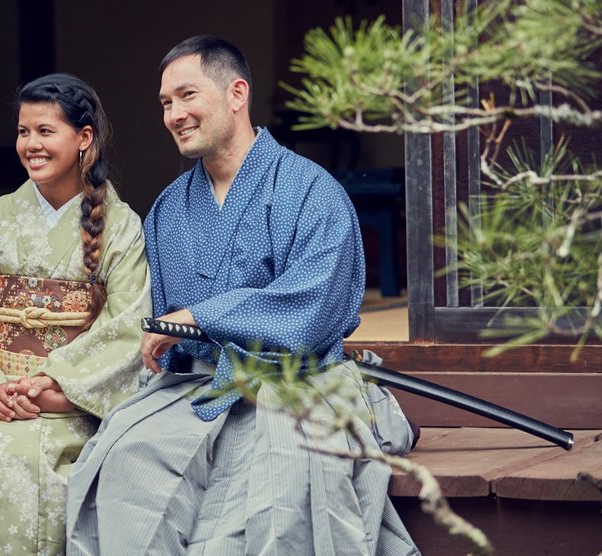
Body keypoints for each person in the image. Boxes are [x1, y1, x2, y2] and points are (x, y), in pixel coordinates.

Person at [65, 36, 419, 554]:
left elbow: (313, 310)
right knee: (124, 458)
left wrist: (204, 315)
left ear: (236, 93)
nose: (175, 114)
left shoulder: (311, 190)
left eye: (187, 95)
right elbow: (171, 331)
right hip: (204, 386)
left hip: (298, 383)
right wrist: (171, 340)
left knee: (278, 488)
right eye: (166, 103)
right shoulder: (169, 210)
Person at [0, 73, 151, 555]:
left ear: (84, 139)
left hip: (70, 400)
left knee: (32, 457)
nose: (31, 144)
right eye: (24, 131)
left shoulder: (120, 226)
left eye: (46, 131)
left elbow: (128, 324)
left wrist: (59, 389)